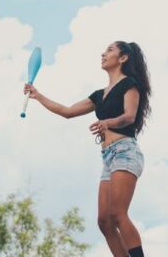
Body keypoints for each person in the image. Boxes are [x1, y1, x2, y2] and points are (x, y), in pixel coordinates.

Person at [24, 41, 151, 257]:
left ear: (123, 58)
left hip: (125, 152)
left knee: (118, 214)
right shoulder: (99, 95)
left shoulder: (130, 84)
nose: (103, 53)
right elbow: (67, 111)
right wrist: (38, 95)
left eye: (110, 50)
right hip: (108, 157)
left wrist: (108, 122)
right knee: (104, 222)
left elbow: (129, 116)